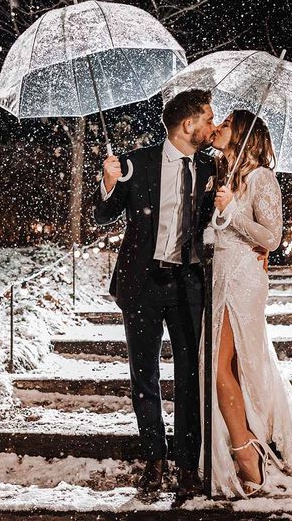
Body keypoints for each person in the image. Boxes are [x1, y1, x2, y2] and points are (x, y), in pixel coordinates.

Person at [93, 89, 218, 497]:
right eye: (208, 118)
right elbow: (102, 216)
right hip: (142, 285)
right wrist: (109, 185)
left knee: (190, 377)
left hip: (189, 287)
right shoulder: (136, 162)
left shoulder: (212, 168)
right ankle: (154, 458)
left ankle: (186, 463)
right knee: (144, 376)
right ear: (188, 125)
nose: (212, 126)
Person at [199, 109, 292, 499]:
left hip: (244, 280)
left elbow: (272, 237)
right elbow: (218, 232)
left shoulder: (261, 178)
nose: (217, 128)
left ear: (244, 135)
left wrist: (232, 212)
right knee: (228, 366)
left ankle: (246, 448)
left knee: (218, 367)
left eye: (226, 124)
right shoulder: (224, 176)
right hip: (220, 278)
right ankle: (246, 441)